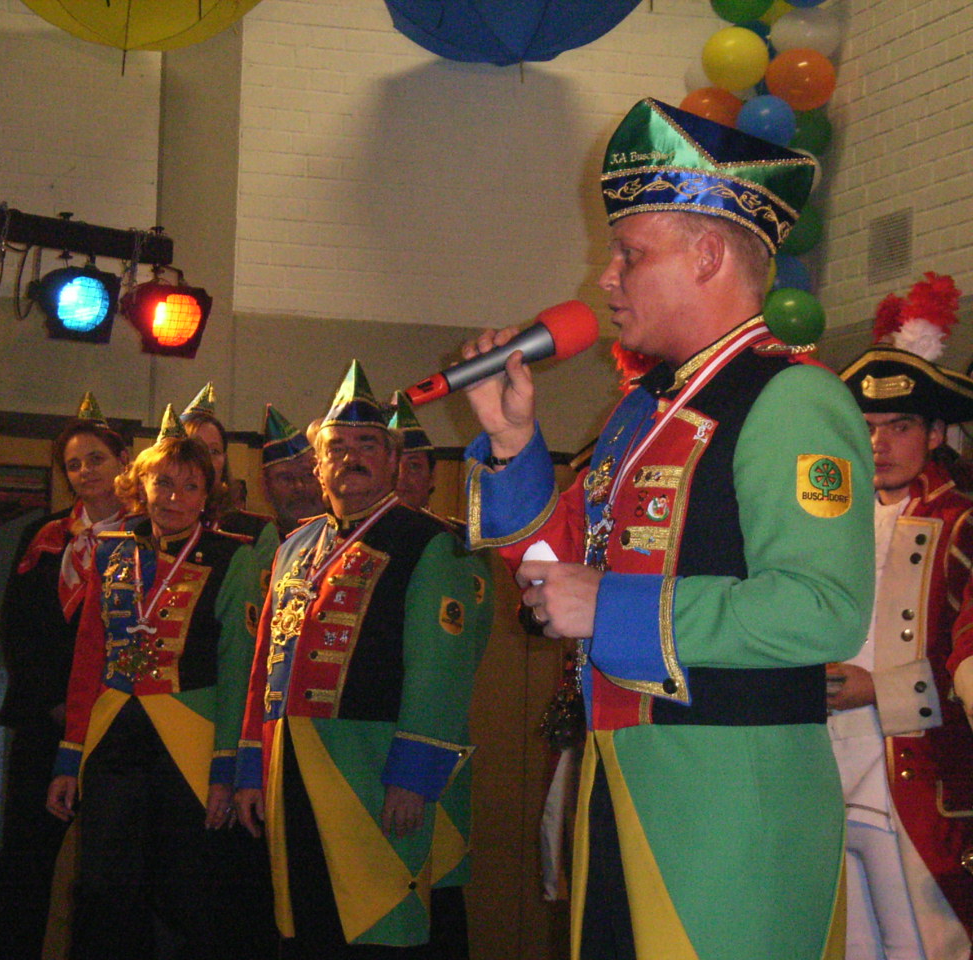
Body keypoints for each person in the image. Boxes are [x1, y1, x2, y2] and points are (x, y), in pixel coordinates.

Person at [459, 98, 874, 960]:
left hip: (733, 802)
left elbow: (824, 610)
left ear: (709, 255)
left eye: (630, 254)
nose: (606, 278)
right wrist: (513, 445)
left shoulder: (791, 399)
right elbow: (557, 581)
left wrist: (610, 606)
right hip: (623, 779)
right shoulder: (644, 410)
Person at [234, 360, 492, 959]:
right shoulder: (295, 546)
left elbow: (441, 672)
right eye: (338, 447)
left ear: (394, 461)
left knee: (381, 931)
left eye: (368, 445)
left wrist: (413, 775)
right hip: (290, 763)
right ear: (317, 465)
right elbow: (264, 663)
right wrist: (250, 767)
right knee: (307, 929)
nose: (351, 457)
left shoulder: (428, 542)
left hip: (371, 765)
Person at [45, 407, 273, 960]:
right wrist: (69, 757)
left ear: (208, 496)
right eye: (163, 482)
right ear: (140, 484)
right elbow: (88, 657)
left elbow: (240, 670)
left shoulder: (233, 557)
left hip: (192, 747)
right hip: (113, 742)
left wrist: (226, 770)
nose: (174, 497)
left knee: (187, 900)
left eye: (191, 486)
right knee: (104, 893)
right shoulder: (112, 549)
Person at [834, 273, 973, 960]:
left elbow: (966, 666)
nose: (880, 444)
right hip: (829, 773)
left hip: (918, 783)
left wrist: (878, 689)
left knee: (927, 947)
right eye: (866, 428)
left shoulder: (962, 524)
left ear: (937, 432)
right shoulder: (826, 523)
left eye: (900, 426)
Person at [0, 394, 130, 960]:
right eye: (74, 464)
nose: (85, 471)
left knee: (112, 870)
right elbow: (17, 628)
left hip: (119, 723)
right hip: (47, 721)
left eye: (96, 459)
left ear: (124, 461)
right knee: (23, 859)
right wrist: (54, 703)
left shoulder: (149, 535)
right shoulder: (44, 536)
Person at [179, 382, 273, 543]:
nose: (206, 460)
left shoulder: (255, 532)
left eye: (214, 451)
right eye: (196, 449)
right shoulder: (147, 526)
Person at [259, 403, 325, 540]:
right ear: (266, 487)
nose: (299, 486)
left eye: (308, 475)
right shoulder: (259, 544)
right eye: (286, 478)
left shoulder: (348, 540)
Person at [387, 391, 438, 513]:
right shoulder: (358, 526)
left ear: (431, 477)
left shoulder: (443, 527)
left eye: (414, 465)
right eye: (392, 465)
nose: (401, 475)